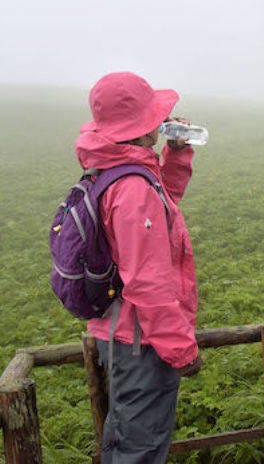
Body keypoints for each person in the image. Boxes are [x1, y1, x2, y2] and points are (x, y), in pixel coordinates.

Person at [75, 71, 202, 463]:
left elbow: (162, 208)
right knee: (139, 452)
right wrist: (181, 350)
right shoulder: (133, 188)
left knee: (125, 444)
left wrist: (176, 155)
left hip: (122, 334)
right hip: (140, 342)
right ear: (143, 126)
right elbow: (148, 282)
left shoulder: (120, 171)